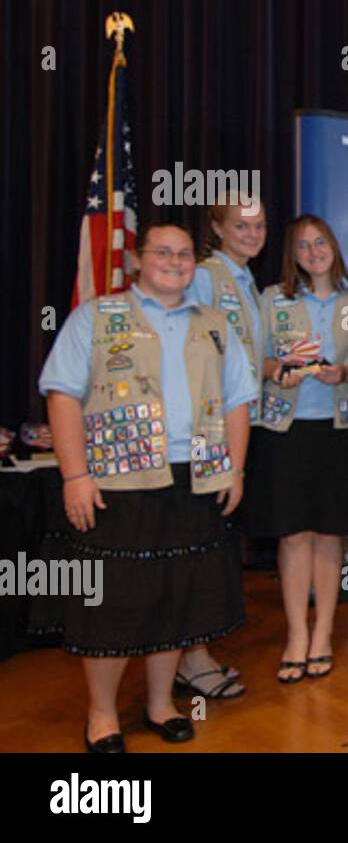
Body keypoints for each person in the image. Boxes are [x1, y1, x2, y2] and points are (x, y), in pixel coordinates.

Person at [32, 222, 256, 752]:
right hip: (118, 483)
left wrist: (236, 470)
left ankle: (161, 704)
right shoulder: (96, 317)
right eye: (162, 252)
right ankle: (102, 715)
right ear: (137, 260)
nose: (174, 261)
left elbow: (238, 401)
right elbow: (62, 395)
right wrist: (75, 475)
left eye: (183, 254)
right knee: (114, 606)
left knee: (177, 599)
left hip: (195, 479)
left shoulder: (215, 323)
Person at [251, 215, 348, 684]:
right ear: (292, 254)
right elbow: (249, 359)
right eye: (303, 245)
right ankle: (297, 634)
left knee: (328, 534)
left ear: (334, 247)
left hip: (340, 429)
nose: (314, 251)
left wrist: (346, 373)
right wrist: (278, 368)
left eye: (321, 242)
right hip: (286, 429)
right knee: (293, 535)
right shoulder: (272, 299)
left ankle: (323, 633)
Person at [178, 195, 268, 699]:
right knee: (197, 543)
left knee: (212, 543)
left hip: (239, 427)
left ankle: (191, 651)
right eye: (241, 225)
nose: (252, 234)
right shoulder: (208, 275)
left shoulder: (248, 283)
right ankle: (191, 658)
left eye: (258, 225)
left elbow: (246, 360)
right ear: (217, 227)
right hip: (204, 432)